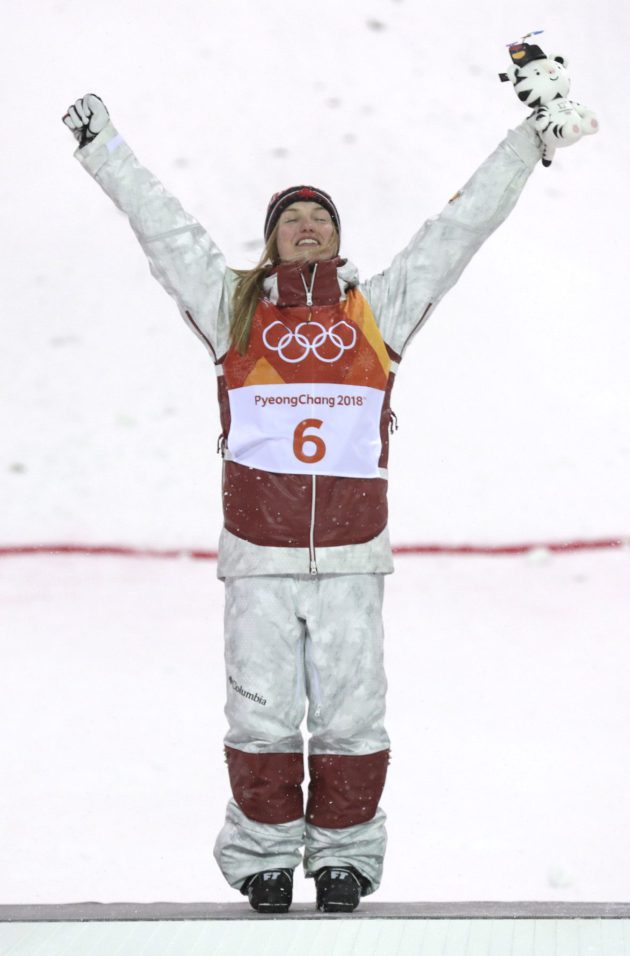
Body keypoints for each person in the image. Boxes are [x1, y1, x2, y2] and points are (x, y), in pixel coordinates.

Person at [62, 92, 541, 913]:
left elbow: (456, 234)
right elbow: (164, 228)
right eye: (293, 216)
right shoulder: (232, 308)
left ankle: (347, 858)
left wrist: (531, 140)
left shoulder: (376, 310)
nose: (308, 223)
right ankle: (262, 860)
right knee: (261, 722)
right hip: (258, 557)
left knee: (354, 720)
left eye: (321, 214)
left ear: (339, 235)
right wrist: (103, 146)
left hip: (353, 555)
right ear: (272, 237)